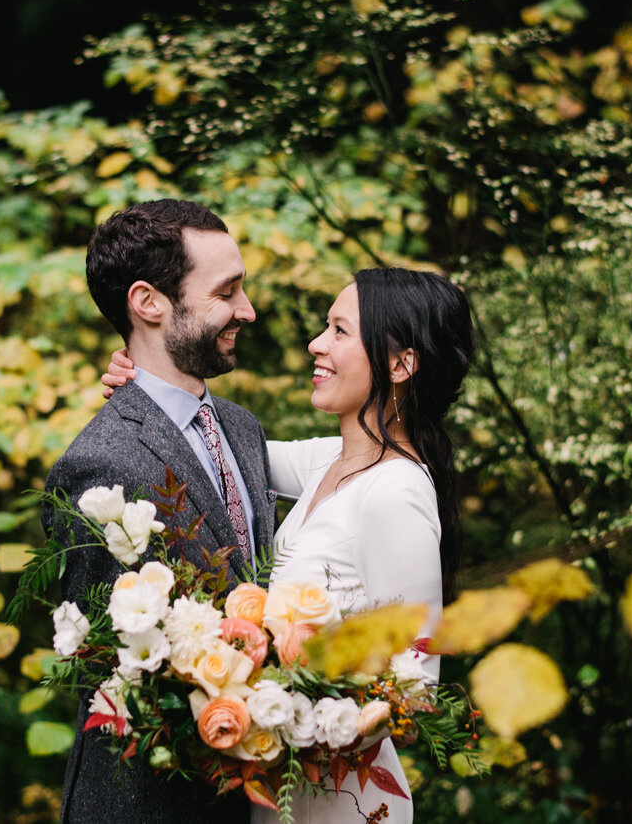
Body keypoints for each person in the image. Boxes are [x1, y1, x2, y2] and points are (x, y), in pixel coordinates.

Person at [105, 267, 476, 823]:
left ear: (401, 365)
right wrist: (149, 388)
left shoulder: (395, 492)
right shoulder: (330, 460)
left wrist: (292, 718)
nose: (316, 344)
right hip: (279, 788)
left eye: (340, 331)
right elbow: (208, 450)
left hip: (340, 797)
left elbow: (417, 683)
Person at [43, 199, 275, 824]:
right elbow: (105, 678)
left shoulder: (242, 429)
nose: (247, 311)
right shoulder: (98, 467)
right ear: (149, 303)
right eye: (227, 291)